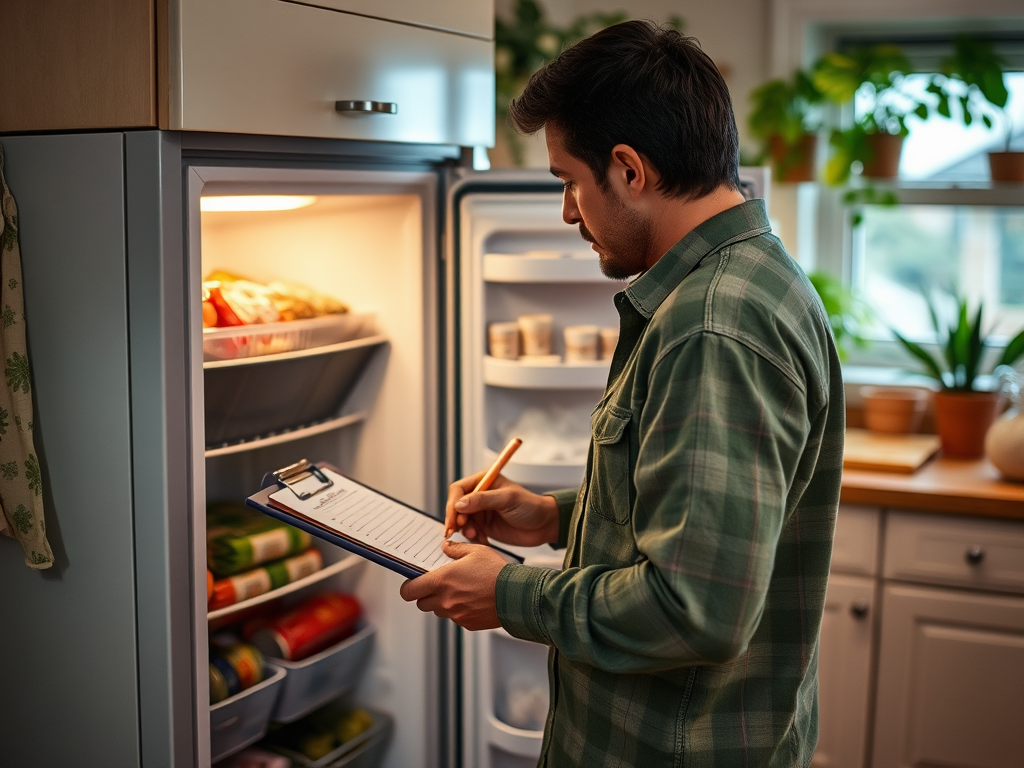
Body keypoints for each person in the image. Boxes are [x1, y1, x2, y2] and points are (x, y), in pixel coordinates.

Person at [400, 19, 844, 768]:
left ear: (630, 170)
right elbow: (706, 522)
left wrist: (512, 596)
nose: (569, 212)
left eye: (570, 182)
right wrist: (552, 517)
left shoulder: (713, 325)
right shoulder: (745, 281)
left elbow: (694, 610)